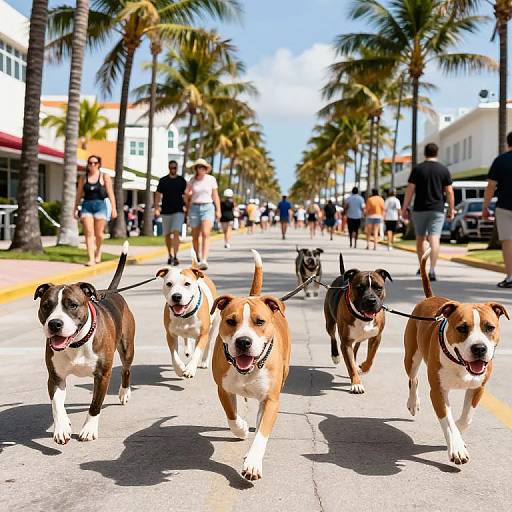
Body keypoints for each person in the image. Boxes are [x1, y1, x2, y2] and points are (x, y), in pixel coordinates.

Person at [402, 143, 454, 281]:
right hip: (437, 209)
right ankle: (432, 270)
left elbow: (410, 190)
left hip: (419, 209)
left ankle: (423, 266)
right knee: (434, 238)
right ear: (437, 153)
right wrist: (451, 209)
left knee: (420, 239)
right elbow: (449, 191)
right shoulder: (443, 170)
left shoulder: (418, 169)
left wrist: (404, 207)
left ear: (425, 153)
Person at [74, 155, 117, 266]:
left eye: (95, 163)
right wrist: (75, 208)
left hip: (100, 206)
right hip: (86, 206)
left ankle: (98, 252)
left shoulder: (104, 176)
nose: (92, 165)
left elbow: (111, 193)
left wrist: (114, 209)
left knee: (99, 234)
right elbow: (78, 194)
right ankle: (91, 259)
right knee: (89, 233)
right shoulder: (83, 178)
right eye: (90, 163)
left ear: (99, 164)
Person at [483, 131, 512, 288]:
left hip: (504, 206)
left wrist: (485, 207)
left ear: (508, 143)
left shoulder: (500, 161)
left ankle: (510, 277)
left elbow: (491, 186)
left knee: (508, 242)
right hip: (504, 207)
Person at [184, 158, 221, 270]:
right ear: (196, 169)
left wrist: (218, 209)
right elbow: (186, 196)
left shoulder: (211, 179)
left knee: (205, 233)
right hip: (194, 207)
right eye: (199, 167)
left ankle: (204, 259)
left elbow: (215, 195)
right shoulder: (192, 180)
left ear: (206, 169)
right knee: (195, 236)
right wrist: (187, 196)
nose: (201, 169)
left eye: (203, 167)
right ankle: (197, 259)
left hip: (207, 206)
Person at [154, 159, 187, 265]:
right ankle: (170, 255)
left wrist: (187, 207)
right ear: (169, 168)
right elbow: (158, 194)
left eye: (175, 168)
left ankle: (176, 256)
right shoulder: (163, 180)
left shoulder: (182, 181)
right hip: (166, 211)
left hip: (178, 210)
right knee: (167, 234)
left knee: (176, 232)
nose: (173, 169)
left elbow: (185, 195)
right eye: (171, 167)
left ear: (177, 168)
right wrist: (156, 208)